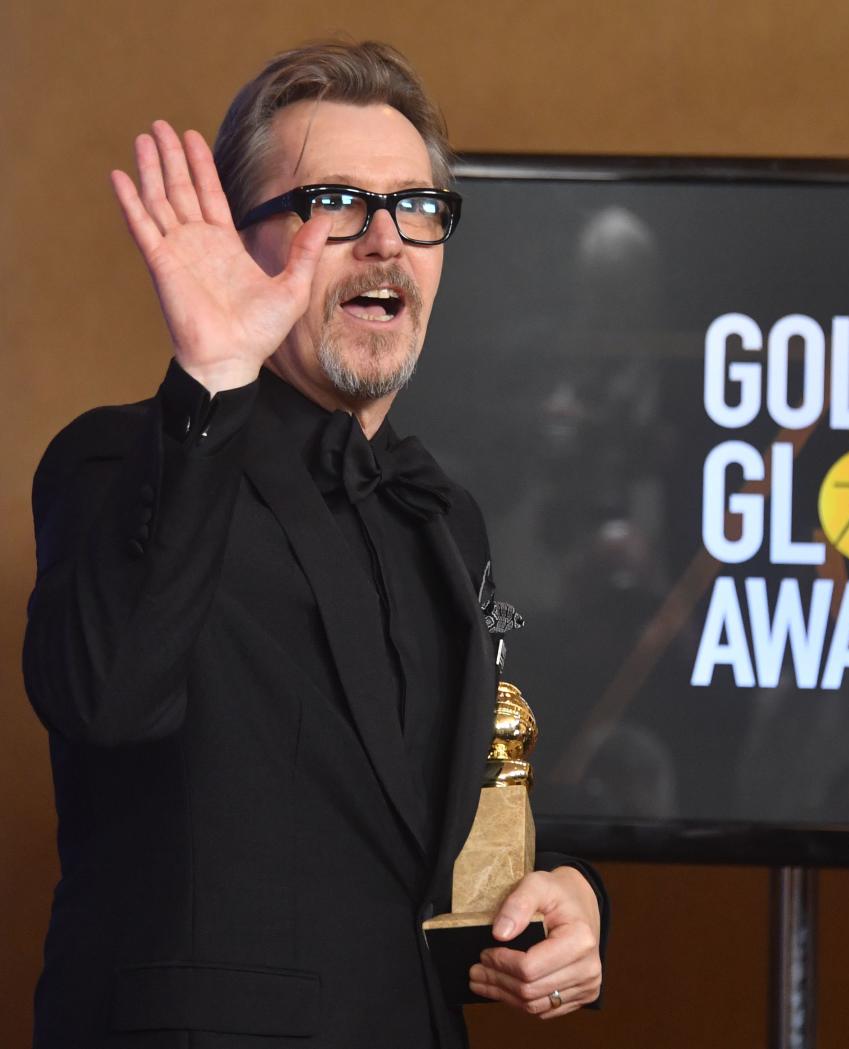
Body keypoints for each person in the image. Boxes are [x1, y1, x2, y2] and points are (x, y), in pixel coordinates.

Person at [22, 40, 605, 1049]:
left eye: (416, 209)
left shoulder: (443, 514)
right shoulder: (123, 460)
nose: (385, 241)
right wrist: (209, 378)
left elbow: (420, 848)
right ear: (239, 243)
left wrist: (569, 903)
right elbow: (105, 697)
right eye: (335, 202)